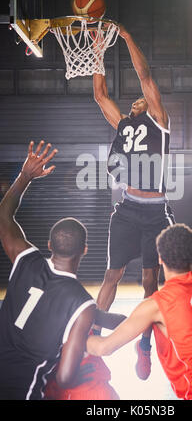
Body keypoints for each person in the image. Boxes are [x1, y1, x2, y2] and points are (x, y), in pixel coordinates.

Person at [0, 140, 125, 400]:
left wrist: (25, 176)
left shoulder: (26, 260)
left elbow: (4, 216)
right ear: (85, 250)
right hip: (23, 391)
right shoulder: (81, 302)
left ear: (48, 245)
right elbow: (65, 377)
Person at [86, 222, 192, 400]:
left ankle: (144, 345)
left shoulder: (155, 305)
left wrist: (71, 333)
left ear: (160, 259)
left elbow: (103, 347)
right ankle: (144, 345)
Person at [92, 24, 175, 380]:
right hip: (127, 210)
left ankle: (145, 346)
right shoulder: (124, 124)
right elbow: (99, 95)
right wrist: (97, 51)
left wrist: (125, 38)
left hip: (156, 213)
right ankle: (92, 343)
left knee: (149, 285)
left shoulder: (160, 121)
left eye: (143, 98)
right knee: (111, 276)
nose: (137, 100)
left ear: (151, 103)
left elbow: (144, 75)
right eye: (135, 100)